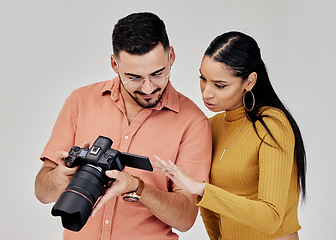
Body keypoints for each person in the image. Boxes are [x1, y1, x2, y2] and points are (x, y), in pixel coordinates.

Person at [34, 12, 212, 240]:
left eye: (157, 74)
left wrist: (138, 188)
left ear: (171, 57)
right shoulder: (80, 101)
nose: (148, 89)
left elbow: (186, 218)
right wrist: (61, 175)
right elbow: (41, 191)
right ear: (114, 64)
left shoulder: (193, 122)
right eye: (134, 77)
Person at [154, 31, 307, 240]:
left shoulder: (272, 125)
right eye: (203, 79)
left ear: (250, 81)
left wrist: (201, 188)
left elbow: (271, 218)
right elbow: (211, 211)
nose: (206, 92)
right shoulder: (211, 126)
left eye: (220, 85)